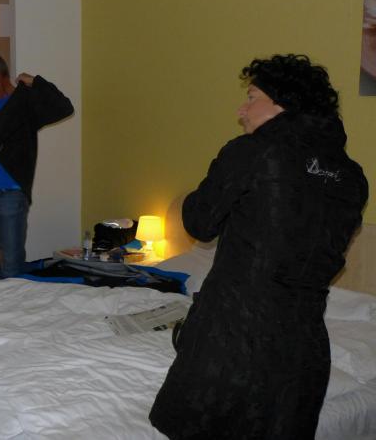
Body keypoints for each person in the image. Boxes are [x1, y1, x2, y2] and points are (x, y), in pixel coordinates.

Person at [149, 54, 368, 439]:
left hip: (234, 338)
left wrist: (216, 179)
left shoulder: (252, 152)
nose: (241, 110)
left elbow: (199, 223)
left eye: (251, 97)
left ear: (283, 105)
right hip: (303, 353)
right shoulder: (352, 177)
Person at [0, 52, 74, 280]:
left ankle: (14, 302)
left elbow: (64, 107)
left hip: (10, 193)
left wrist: (36, 81)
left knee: (11, 265)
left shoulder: (24, 102)